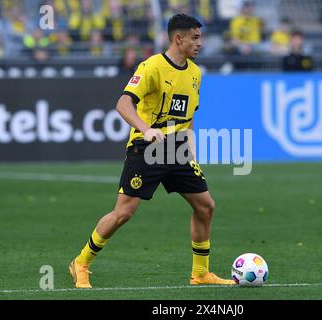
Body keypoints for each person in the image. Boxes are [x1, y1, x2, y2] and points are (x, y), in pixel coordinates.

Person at [69, 13, 235, 288]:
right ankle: (81, 262)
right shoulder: (152, 67)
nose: (200, 43)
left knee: (206, 206)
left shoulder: (194, 73)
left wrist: (189, 146)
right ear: (178, 38)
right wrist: (146, 130)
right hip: (147, 148)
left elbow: (188, 114)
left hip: (177, 150)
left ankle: (201, 273)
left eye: (200, 37)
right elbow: (123, 104)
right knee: (123, 213)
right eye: (195, 37)